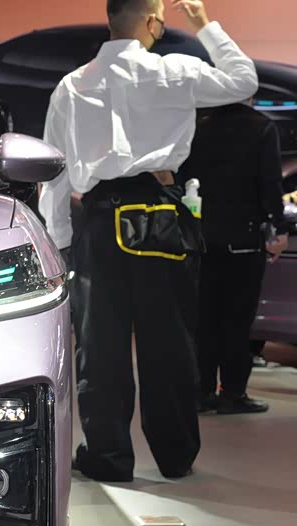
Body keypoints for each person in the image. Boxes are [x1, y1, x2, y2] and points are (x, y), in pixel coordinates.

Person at [39, 0, 258, 481]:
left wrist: (59, 241)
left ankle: (108, 457)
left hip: (100, 221)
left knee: (100, 348)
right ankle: (176, 456)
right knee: (170, 342)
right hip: (160, 216)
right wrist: (204, 25)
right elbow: (244, 81)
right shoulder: (175, 71)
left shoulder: (73, 85)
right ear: (153, 22)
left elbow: (54, 172)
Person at [182, 101, 290, 414]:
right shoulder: (261, 127)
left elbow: (182, 177)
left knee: (204, 319)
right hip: (244, 239)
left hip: (202, 238)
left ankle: (201, 392)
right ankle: (232, 393)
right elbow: (270, 183)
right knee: (238, 321)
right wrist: (279, 227)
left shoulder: (197, 125)